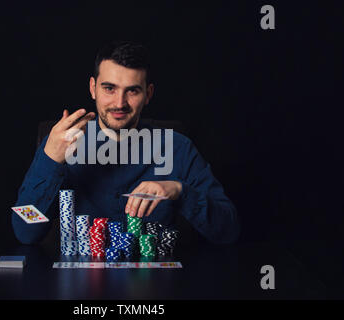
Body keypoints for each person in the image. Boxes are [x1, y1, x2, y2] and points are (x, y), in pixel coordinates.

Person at [13, 40, 240, 245]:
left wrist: (180, 191)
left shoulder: (177, 148)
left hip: (156, 286)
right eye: (109, 88)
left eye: (132, 91)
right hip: (79, 284)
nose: (119, 103)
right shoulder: (59, 143)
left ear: (148, 94)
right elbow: (24, 232)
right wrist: (50, 159)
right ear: (93, 88)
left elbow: (229, 230)